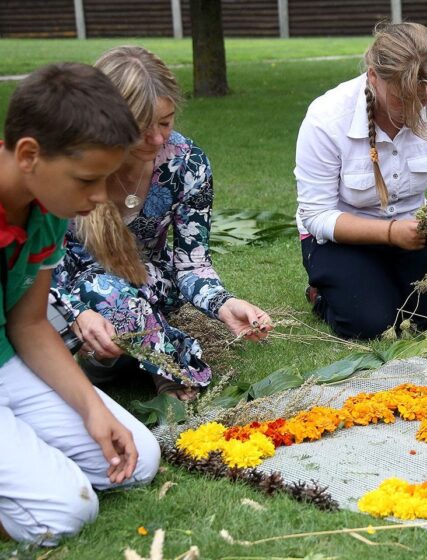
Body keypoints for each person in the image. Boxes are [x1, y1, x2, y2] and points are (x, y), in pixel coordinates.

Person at [52, 46, 272, 401]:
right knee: (102, 288)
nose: (157, 139)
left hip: (148, 286)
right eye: (140, 128)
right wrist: (77, 313)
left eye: (165, 123)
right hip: (66, 295)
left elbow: (191, 262)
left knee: (125, 295)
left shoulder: (188, 163)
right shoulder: (63, 165)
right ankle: (169, 366)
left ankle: (111, 360)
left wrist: (223, 303)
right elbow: (42, 270)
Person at [0, 63, 160, 545]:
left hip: (7, 362)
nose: (98, 197)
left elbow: (28, 324)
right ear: (29, 154)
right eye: (87, 179)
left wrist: (92, 409)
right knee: (66, 511)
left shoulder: (46, 206)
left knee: (139, 460)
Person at [295, 22, 427, 339]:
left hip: (411, 232)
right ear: (373, 77)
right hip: (340, 238)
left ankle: (385, 285)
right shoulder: (327, 117)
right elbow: (316, 216)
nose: (414, 109)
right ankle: (322, 294)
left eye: (423, 98)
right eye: (402, 99)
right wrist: (389, 232)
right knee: (374, 325)